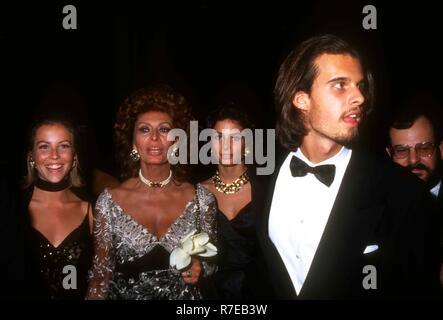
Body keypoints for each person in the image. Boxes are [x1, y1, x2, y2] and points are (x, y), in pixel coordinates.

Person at [255, 34, 441, 299]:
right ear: (301, 99)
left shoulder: (404, 192)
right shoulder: (262, 175)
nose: (360, 97)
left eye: (360, 85)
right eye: (340, 85)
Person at [86, 85, 218, 300]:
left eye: (164, 129)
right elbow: (100, 276)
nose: (154, 137)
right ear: (132, 141)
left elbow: (212, 265)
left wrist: (200, 267)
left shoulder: (201, 199)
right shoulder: (109, 202)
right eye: (144, 129)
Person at [21, 118, 94, 300]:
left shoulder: (91, 210)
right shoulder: (13, 210)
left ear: (74, 156)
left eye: (63, 146)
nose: (54, 155)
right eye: (44, 146)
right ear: (31, 156)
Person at [201, 103, 267, 299]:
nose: (227, 146)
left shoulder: (267, 191)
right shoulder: (195, 194)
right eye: (219, 137)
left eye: (235, 138)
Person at [386, 95, 443, 287]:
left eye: (424, 148)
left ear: (440, 149)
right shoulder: (375, 206)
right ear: (389, 154)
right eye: (402, 151)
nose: (413, 160)